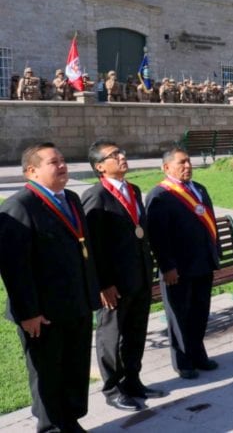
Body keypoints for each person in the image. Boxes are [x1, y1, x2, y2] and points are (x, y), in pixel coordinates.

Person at [0, 142, 100, 432]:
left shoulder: (69, 198)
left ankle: (69, 421)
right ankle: (51, 427)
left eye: (63, 160)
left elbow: (83, 249)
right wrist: (27, 312)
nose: (62, 165)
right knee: (48, 373)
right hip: (43, 312)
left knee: (74, 368)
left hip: (77, 303)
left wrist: (91, 293)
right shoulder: (19, 206)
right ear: (31, 171)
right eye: (53, 162)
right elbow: (14, 268)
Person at [82, 141, 165, 412]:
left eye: (121, 153)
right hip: (114, 283)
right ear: (99, 166)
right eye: (113, 155)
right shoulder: (96, 196)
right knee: (111, 335)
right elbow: (91, 248)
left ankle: (133, 381)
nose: (122, 157)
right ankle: (112, 388)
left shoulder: (133, 189)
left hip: (139, 275)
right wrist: (103, 284)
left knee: (136, 331)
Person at [146, 147, 220, 379]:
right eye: (181, 163)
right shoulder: (160, 195)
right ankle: (183, 361)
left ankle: (198, 354)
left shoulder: (199, 189)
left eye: (189, 161)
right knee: (179, 315)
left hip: (202, 263)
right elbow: (158, 237)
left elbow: (210, 223)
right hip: (178, 268)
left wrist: (213, 254)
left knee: (200, 311)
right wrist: (167, 267)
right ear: (166, 167)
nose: (188, 166)